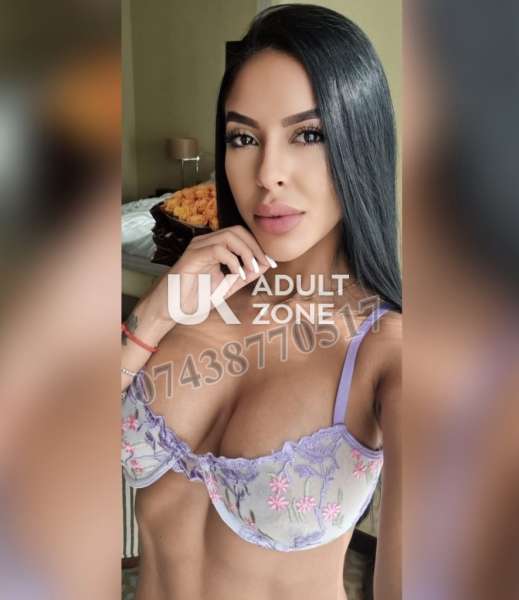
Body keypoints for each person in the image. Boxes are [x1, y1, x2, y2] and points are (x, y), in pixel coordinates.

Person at [121, 5, 401, 599]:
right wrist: (158, 310)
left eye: (309, 134)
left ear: (361, 144)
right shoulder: (189, 304)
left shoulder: (388, 352)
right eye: (244, 138)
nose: (268, 173)